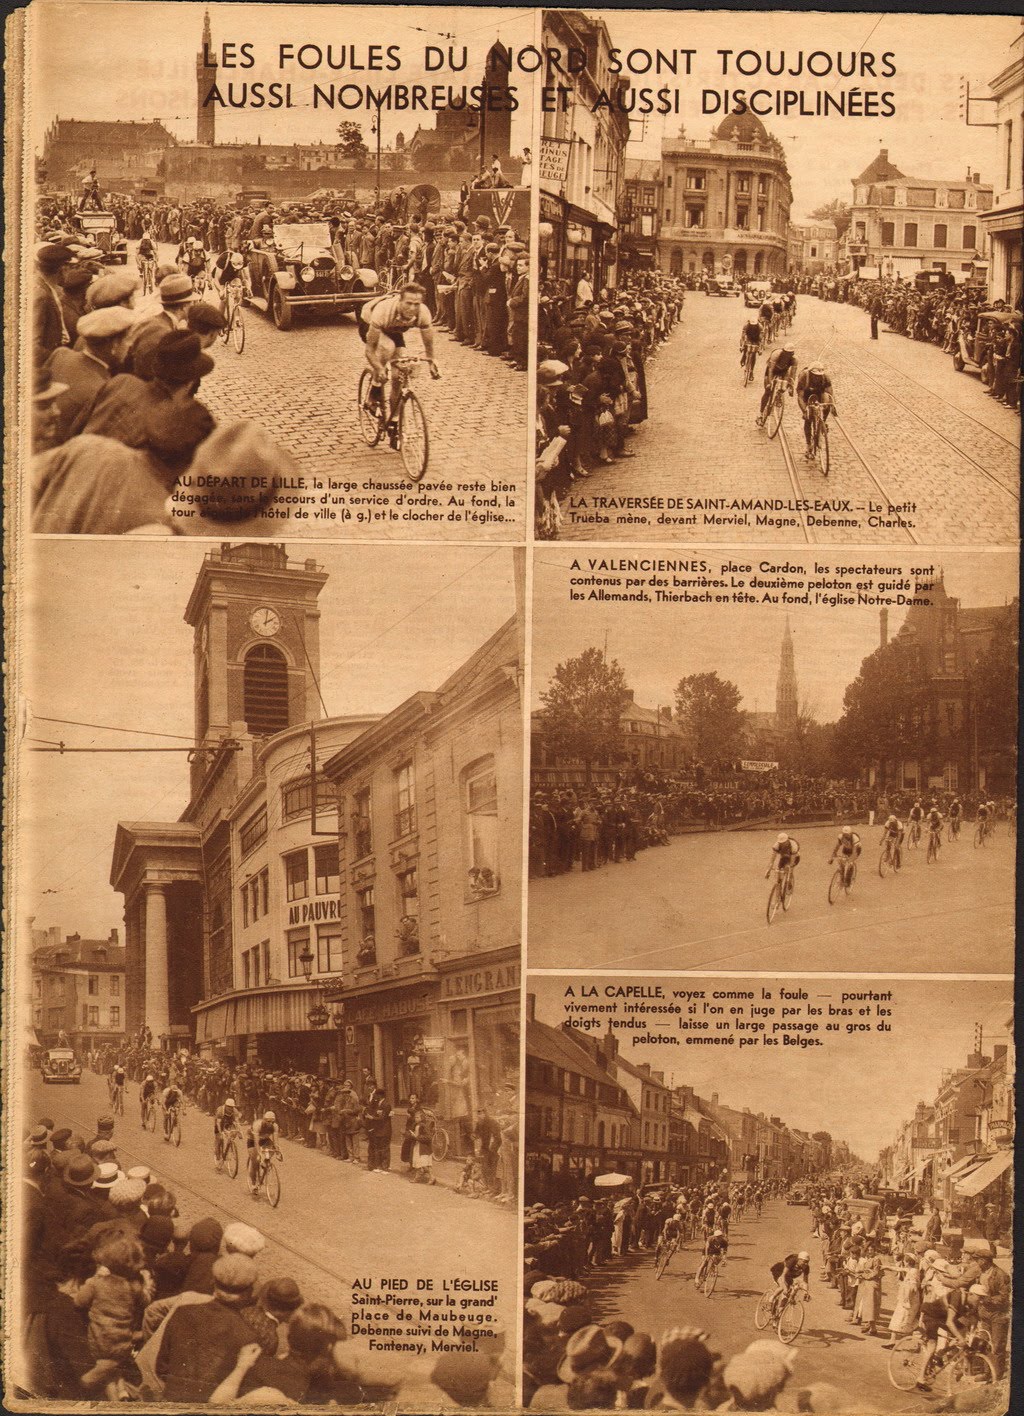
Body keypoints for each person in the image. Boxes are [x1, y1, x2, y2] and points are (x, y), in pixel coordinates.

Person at [361, 282, 440, 439]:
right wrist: (379, 368)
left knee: (399, 375)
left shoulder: (423, 313)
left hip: (394, 329)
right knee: (387, 347)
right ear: (399, 300)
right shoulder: (383, 311)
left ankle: (394, 422)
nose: (412, 308)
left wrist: (432, 361)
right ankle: (374, 391)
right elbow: (369, 351)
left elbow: (428, 343)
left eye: (416, 304)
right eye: (408, 303)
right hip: (369, 323)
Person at [796, 363, 835, 457]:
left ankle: (822, 423)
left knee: (827, 403)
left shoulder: (825, 378)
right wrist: (805, 411)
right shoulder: (804, 377)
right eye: (815, 375)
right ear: (811, 373)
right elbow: (800, 397)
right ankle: (808, 444)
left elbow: (830, 394)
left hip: (820, 393)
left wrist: (831, 406)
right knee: (808, 419)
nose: (817, 377)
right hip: (807, 395)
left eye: (819, 375)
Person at [756, 343, 797, 425]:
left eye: (790, 354)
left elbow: (793, 374)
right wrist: (770, 382)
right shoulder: (776, 354)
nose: (788, 355)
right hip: (772, 369)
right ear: (783, 351)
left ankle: (778, 396)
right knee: (768, 390)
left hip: (783, 371)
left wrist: (791, 386)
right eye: (787, 353)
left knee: (784, 385)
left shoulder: (794, 360)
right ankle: (760, 413)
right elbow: (771, 370)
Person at [245, 1111, 281, 1193]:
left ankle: (265, 1163)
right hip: (252, 1140)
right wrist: (260, 1154)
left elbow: (275, 1142)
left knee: (272, 1149)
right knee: (255, 1160)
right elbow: (256, 1143)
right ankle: (253, 1184)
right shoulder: (257, 1125)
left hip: (265, 1140)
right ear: (264, 1120)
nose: (270, 1124)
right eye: (268, 1121)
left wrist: (278, 1151)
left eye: (272, 1122)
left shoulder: (275, 1126)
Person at [770, 1251, 811, 1316]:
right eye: (804, 1261)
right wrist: (785, 1288)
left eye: (807, 1262)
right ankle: (771, 1298)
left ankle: (778, 1315)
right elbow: (783, 1276)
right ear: (799, 1259)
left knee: (786, 1296)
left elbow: (805, 1282)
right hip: (779, 1272)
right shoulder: (792, 1261)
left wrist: (806, 1293)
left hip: (788, 1276)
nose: (806, 1264)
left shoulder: (806, 1267)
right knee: (783, 1288)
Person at [214, 1097, 241, 1170]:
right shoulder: (220, 1111)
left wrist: (239, 1131)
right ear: (225, 1106)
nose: (230, 1109)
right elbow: (218, 1123)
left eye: (232, 1107)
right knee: (219, 1139)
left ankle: (228, 1147)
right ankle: (218, 1159)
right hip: (220, 1123)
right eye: (229, 1107)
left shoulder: (235, 1111)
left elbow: (237, 1122)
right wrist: (220, 1133)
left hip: (229, 1122)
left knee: (233, 1133)